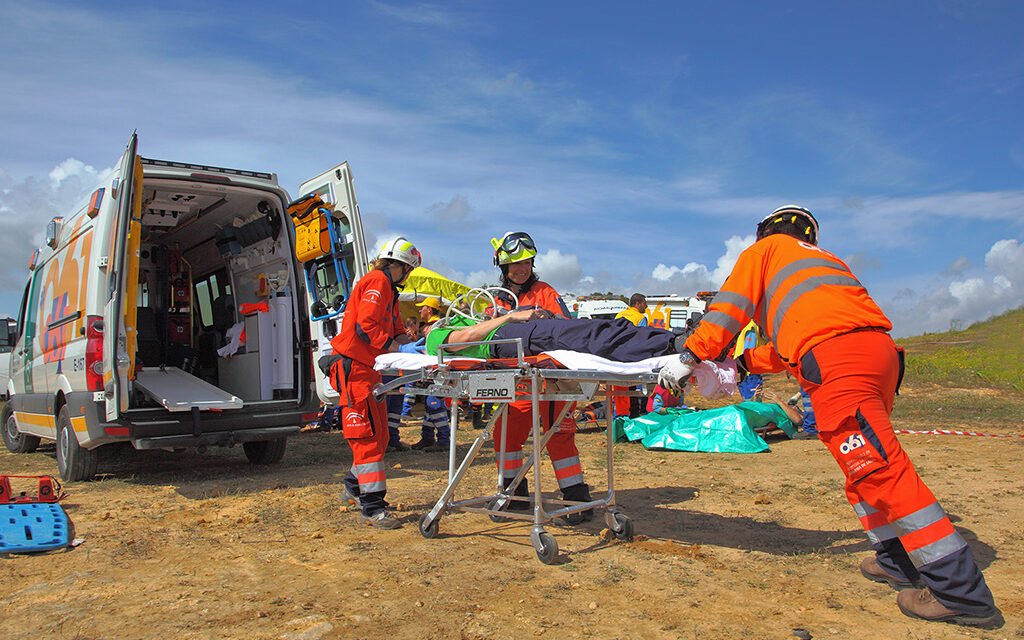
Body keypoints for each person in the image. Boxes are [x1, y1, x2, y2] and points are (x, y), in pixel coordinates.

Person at [657, 205, 998, 627]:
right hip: (878, 356)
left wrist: (691, 355)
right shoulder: (823, 263)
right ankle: (895, 563)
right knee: (861, 468)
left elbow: (729, 308)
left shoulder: (767, 251)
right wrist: (743, 365)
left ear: (764, 231)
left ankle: (958, 591)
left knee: (876, 469)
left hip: (841, 362)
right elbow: (798, 338)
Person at [326, 236, 424, 529]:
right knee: (367, 440)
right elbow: (365, 327)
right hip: (355, 369)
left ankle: (352, 487)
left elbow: (394, 330)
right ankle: (372, 508)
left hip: (368, 370)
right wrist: (399, 349)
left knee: (380, 437)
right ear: (404, 267)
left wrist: (415, 346)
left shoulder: (388, 290)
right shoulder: (378, 282)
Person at [484, 231, 582, 522]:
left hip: (551, 378)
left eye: (526, 262)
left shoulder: (545, 292)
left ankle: (576, 498)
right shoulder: (496, 300)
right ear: (503, 267)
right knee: (504, 435)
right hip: (514, 381)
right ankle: (513, 495)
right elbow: (487, 335)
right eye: (515, 264)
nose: (522, 268)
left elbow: (565, 330)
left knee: (559, 436)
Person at [411, 296, 450, 452]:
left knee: (434, 404)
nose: (420, 310)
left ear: (429, 309)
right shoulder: (433, 326)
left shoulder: (435, 328)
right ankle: (427, 438)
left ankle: (444, 440)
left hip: (437, 372)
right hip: (432, 371)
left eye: (423, 307)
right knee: (429, 404)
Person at [615, 293, 649, 417]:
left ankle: (619, 416)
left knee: (619, 389)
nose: (646, 306)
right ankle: (634, 415)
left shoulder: (619, 315)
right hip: (632, 357)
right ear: (638, 303)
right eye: (645, 303)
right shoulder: (640, 318)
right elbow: (642, 339)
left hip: (616, 357)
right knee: (633, 389)